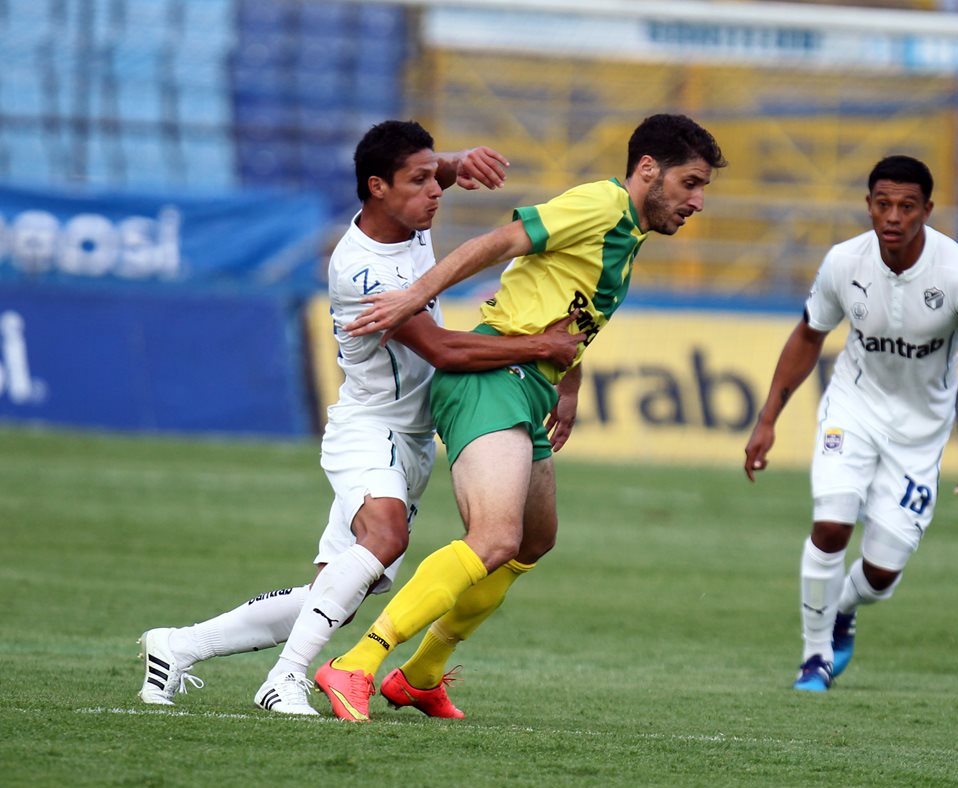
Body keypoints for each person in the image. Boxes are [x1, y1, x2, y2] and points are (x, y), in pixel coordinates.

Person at [138, 120, 584, 715]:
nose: (435, 191)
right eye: (420, 180)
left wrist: (458, 161)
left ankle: (179, 645)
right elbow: (445, 351)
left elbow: (431, 172)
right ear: (378, 187)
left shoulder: (408, 214)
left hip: (412, 437)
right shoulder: (367, 271)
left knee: (343, 587)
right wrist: (541, 349)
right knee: (386, 538)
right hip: (371, 428)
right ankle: (287, 678)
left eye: (435, 178)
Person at [311, 113, 727, 721]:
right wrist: (416, 294)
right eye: (689, 183)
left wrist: (570, 380)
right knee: (496, 537)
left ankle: (422, 676)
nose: (696, 202)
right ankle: (357, 663)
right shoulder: (600, 205)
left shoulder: (627, 231)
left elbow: (550, 289)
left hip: (530, 385)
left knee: (533, 540)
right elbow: (498, 244)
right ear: (647, 171)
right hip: (491, 381)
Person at [742, 155, 958, 693]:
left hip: (920, 433)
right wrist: (767, 418)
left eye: (907, 206)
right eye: (883, 204)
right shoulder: (844, 263)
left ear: (927, 210)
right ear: (868, 205)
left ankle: (842, 608)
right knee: (831, 523)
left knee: (881, 573)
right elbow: (808, 334)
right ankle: (815, 657)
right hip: (852, 407)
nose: (894, 216)